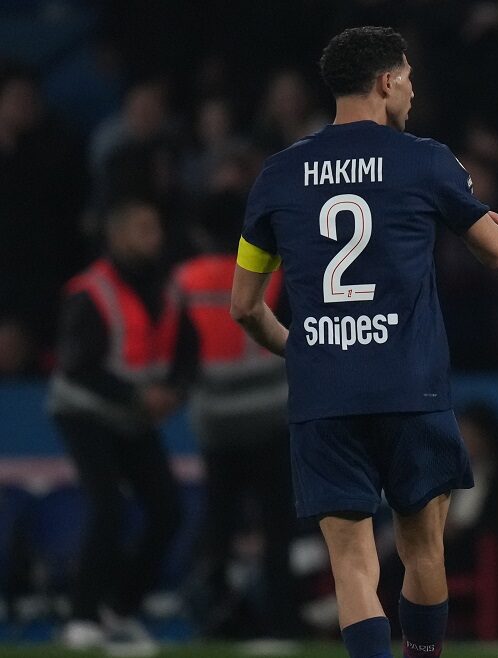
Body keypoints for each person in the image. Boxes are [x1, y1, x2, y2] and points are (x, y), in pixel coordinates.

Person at [229, 26, 498, 658]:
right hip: (410, 384)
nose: (412, 91)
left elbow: (243, 308)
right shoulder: (426, 160)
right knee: (422, 550)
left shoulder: (277, 175)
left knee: (352, 565)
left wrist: (306, 349)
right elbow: (497, 250)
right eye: (407, 79)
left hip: (326, 396)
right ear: (385, 82)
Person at [47, 199, 193, 657]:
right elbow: (76, 367)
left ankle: (120, 608)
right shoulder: (90, 291)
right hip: (84, 411)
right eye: (142, 229)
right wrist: (139, 397)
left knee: (168, 510)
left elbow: (189, 348)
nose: (154, 238)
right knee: (108, 507)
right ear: (116, 236)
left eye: (156, 228)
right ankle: (81, 617)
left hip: (134, 415)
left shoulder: (167, 289)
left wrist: (174, 390)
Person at [173, 192, 301, 641]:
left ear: (199, 232)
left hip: (216, 423)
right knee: (277, 529)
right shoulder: (272, 272)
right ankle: (284, 625)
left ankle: (215, 622)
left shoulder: (184, 280)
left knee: (219, 530)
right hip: (270, 417)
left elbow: (178, 350)